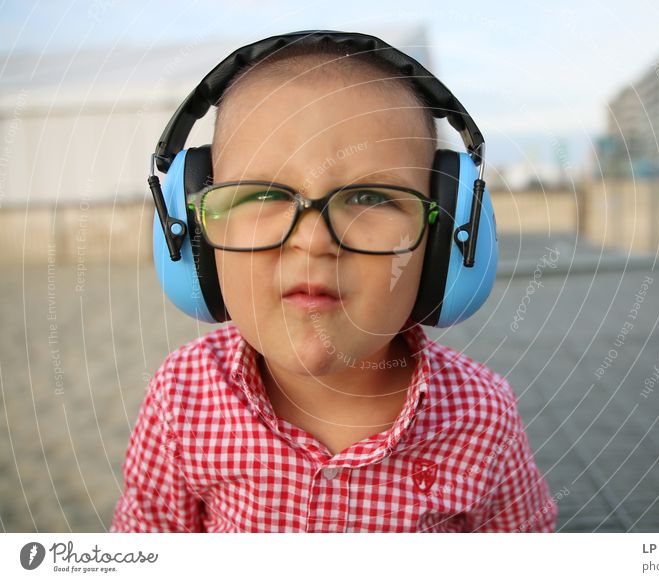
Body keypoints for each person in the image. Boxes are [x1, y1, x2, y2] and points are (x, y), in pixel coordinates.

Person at [110, 32, 556, 532]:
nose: (314, 241)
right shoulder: (181, 398)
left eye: (368, 198)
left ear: (446, 243)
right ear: (191, 239)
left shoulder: (482, 418)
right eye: (259, 197)